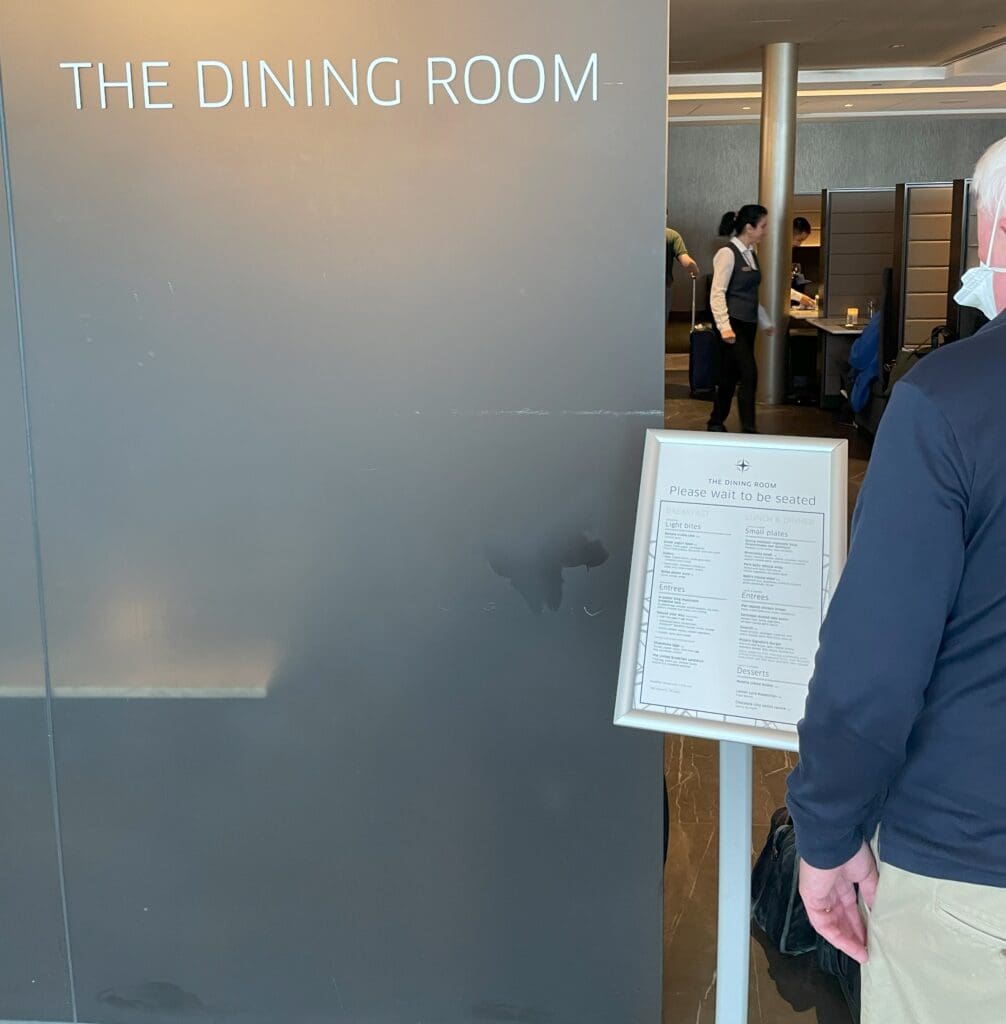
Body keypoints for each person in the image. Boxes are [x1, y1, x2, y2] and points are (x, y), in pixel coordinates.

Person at [786, 134, 1006, 1024]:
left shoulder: (949, 402)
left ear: (998, 239)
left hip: (972, 865)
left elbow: (873, 669)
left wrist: (827, 830)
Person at [706, 206, 811, 432]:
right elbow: (717, 293)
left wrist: (764, 321)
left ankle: (715, 421)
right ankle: (749, 429)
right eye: (763, 226)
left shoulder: (751, 253)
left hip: (748, 323)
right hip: (732, 323)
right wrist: (724, 327)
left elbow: (751, 294)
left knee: (729, 375)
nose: (765, 231)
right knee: (749, 373)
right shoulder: (727, 253)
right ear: (748, 228)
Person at [665, 223, 700, 322]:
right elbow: (687, 262)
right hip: (664, 286)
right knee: (660, 324)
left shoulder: (639, 233)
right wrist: (695, 270)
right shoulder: (671, 235)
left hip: (639, 286)